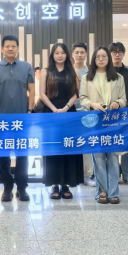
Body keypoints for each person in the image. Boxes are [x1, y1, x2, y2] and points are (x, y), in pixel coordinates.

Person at [0, 35, 35, 203]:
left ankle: (22, 188)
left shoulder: (26, 66)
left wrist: (30, 110)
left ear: (18, 48)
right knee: (3, 155)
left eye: (13, 46)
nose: (10, 49)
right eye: (7, 46)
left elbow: (31, 90)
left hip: (22, 119)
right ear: (2, 49)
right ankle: (7, 187)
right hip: (1, 120)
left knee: (22, 154)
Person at [80, 46, 127, 204]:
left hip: (113, 121)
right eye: (98, 57)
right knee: (98, 156)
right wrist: (92, 104)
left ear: (108, 59)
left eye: (104, 56)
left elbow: (124, 99)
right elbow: (83, 99)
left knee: (113, 156)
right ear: (93, 59)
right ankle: (101, 191)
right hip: (95, 121)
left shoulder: (118, 77)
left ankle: (113, 192)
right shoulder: (86, 78)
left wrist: (117, 103)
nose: (101, 59)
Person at [39, 43, 84, 200]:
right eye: (56, 53)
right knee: (53, 148)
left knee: (68, 146)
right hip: (50, 113)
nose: (59, 55)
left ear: (67, 55)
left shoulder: (73, 72)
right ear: (52, 55)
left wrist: (65, 108)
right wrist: (54, 109)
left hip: (68, 112)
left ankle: (66, 184)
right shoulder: (45, 72)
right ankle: (55, 184)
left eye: (62, 53)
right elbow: (42, 94)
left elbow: (76, 93)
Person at [110, 42, 128, 187]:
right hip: (110, 114)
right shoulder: (105, 72)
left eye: (120, 52)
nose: (117, 55)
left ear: (124, 54)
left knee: (127, 144)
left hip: (127, 113)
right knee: (111, 144)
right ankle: (113, 175)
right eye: (114, 52)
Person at [72, 42, 94, 187]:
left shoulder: (91, 72)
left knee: (86, 144)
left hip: (87, 111)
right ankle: (73, 175)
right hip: (71, 111)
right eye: (77, 52)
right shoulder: (68, 71)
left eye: (82, 52)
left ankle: (87, 175)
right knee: (72, 143)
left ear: (86, 54)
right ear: (72, 54)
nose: (79, 55)